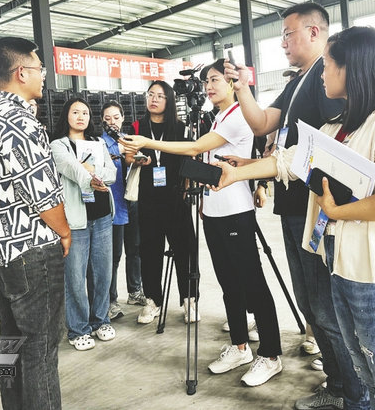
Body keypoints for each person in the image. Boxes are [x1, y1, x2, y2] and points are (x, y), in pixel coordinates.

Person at [216, 25, 375, 409]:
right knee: (365, 377)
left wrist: (335, 211)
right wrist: (238, 172)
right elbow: (291, 160)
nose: (322, 73)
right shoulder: (343, 124)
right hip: (344, 266)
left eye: (328, 65)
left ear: (352, 68)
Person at [225, 3, 364, 410]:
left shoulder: (326, 79)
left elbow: (327, 150)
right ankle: (338, 383)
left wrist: (256, 168)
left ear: (315, 32)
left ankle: (350, 392)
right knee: (310, 304)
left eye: (288, 34)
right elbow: (262, 124)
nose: (283, 43)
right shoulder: (299, 82)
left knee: (323, 307)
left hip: (313, 209)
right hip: (291, 207)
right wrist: (242, 88)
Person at [122, 61, 282, 387]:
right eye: (206, 81)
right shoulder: (218, 116)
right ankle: (240, 346)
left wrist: (147, 142)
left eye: (215, 79)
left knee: (252, 282)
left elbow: (195, 148)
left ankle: (270, 354)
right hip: (213, 212)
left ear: (232, 82)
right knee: (228, 283)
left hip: (235, 211)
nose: (209, 86)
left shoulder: (237, 115)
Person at [0, 37, 71, 410]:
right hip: (32, 251)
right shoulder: (19, 122)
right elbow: (44, 196)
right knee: (40, 349)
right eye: (40, 69)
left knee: (11, 343)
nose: (44, 76)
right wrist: (64, 231)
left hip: (2, 251)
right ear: (21, 72)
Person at [127, 80, 199, 325]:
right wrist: (136, 160)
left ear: (169, 100)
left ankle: (189, 299)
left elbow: (190, 157)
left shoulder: (180, 128)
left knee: (185, 250)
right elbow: (128, 157)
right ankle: (153, 300)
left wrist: (187, 187)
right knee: (149, 251)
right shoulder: (137, 126)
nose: (154, 99)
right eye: (150, 94)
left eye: (160, 95)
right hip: (148, 199)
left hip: (176, 197)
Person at [51, 98, 117, 351]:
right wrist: (92, 176)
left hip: (102, 216)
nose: (81, 117)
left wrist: (93, 169)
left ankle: (101, 320)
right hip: (76, 220)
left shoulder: (98, 142)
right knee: (75, 278)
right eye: (75, 112)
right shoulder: (58, 145)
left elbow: (112, 174)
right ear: (66, 115)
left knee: (103, 274)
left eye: (85, 113)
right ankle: (78, 329)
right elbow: (70, 168)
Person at [101, 101, 146, 320]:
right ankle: (111, 300)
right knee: (114, 256)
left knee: (135, 250)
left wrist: (139, 160)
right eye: (108, 118)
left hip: (132, 202)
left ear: (123, 118)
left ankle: (135, 291)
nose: (113, 122)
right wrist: (117, 154)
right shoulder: (99, 144)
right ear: (102, 121)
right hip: (114, 206)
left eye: (116, 117)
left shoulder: (130, 140)